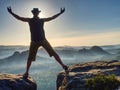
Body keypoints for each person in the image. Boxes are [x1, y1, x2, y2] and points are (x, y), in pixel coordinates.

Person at [7, 7, 68, 78]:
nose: (35, 13)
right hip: (41, 40)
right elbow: (52, 18)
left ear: (34, 13)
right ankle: (63, 66)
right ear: (38, 13)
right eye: (36, 12)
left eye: (35, 12)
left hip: (36, 41)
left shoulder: (30, 20)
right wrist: (60, 13)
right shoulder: (40, 20)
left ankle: (26, 72)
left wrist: (11, 13)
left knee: (30, 58)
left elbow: (19, 18)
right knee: (53, 53)